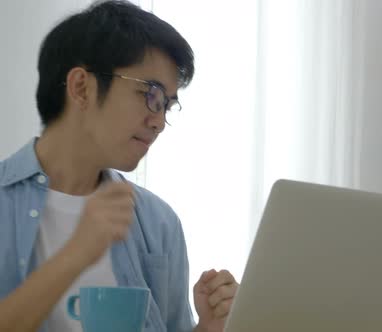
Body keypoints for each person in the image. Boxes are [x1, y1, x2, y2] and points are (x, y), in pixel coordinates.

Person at [0, 1, 239, 331]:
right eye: (150, 94)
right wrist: (76, 253)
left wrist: (210, 325)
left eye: (168, 105)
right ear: (81, 87)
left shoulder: (159, 222)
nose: (159, 122)